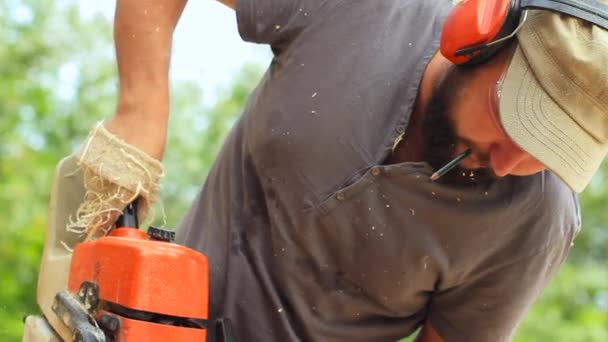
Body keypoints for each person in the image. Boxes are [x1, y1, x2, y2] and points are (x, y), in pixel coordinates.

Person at [73, 0, 607, 340]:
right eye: (508, 120)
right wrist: (142, 108)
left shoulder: (534, 221)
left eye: (546, 150)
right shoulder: (364, 10)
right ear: (478, 31)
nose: (508, 162)